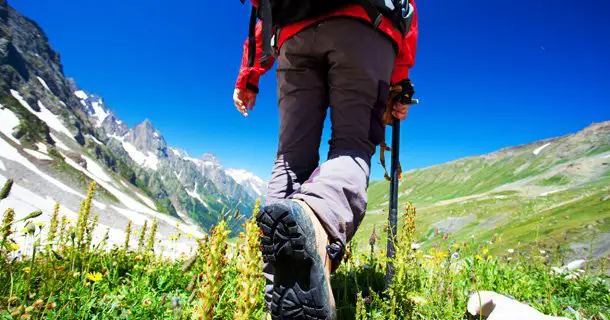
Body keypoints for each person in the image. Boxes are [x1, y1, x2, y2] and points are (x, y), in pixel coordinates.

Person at [233, 1, 419, 318]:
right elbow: (406, 11)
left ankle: (276, 293)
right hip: (364, 24)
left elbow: (262, 14)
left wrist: (248, 76)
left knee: (290, 159)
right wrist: (398, 79)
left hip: (293, 34)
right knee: (353, 145)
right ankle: (316, 221)